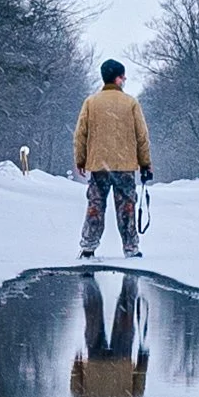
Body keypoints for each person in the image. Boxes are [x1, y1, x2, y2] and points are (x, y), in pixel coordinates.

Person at [73, 58, 152, 259]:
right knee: (127, 206)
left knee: (95, 205)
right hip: (125, 166)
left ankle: (88, 246)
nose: (125, 79)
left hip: (98, 165)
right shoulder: (131, 103)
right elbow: (141, 136)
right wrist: (145, 164)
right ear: (117, 78)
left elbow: (80, 133)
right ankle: (131, 248)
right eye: (123, 76)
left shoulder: (91, 102)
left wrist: (80, 159)